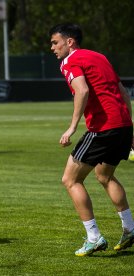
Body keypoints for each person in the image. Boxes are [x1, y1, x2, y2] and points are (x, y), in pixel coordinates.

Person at [49, 23, 134, 256]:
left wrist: (72, 127)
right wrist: (130, 129)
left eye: (55, 42)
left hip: (102, 128)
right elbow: (123, 92)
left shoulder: (69, 61)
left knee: (70, 180)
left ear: (70, 42)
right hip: (122, 125)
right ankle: (130, 228)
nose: (52, 48)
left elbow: (82, 91)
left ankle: (94, 237)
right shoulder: (99, 57)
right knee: (104, 175)